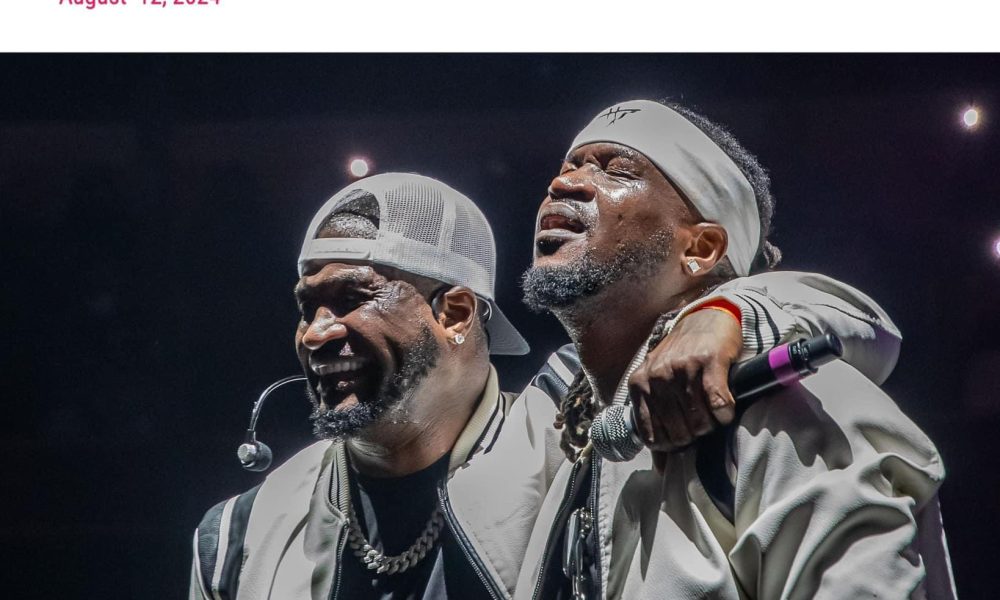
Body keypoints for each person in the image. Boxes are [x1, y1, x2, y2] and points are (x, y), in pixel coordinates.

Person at [189, 167, 912, 600]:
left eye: (352, 299)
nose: (316, 333)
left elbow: (826, 306)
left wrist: (725, 315)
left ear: (456, 313)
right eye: (307, 307)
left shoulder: (571, 437)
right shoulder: (240, 534)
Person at [514, 100, 956, 599]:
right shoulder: (575, 454)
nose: (564, 183)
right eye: (568, 166)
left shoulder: (791, 407)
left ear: (700, 249)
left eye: (616, 169)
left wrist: (732, 311)